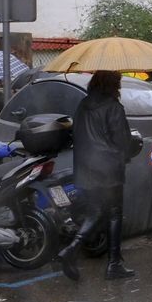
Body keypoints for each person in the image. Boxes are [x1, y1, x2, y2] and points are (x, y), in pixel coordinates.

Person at [57, 70, 136, 281]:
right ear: (112, 84)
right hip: (109, 168)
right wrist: (126, 153)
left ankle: (72, 249)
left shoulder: (83, 105)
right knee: (114, 213)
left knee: (95, 211)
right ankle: (113, 264)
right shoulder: (114, 107)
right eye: (118, 82)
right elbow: (122, 140)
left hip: (87, 168)